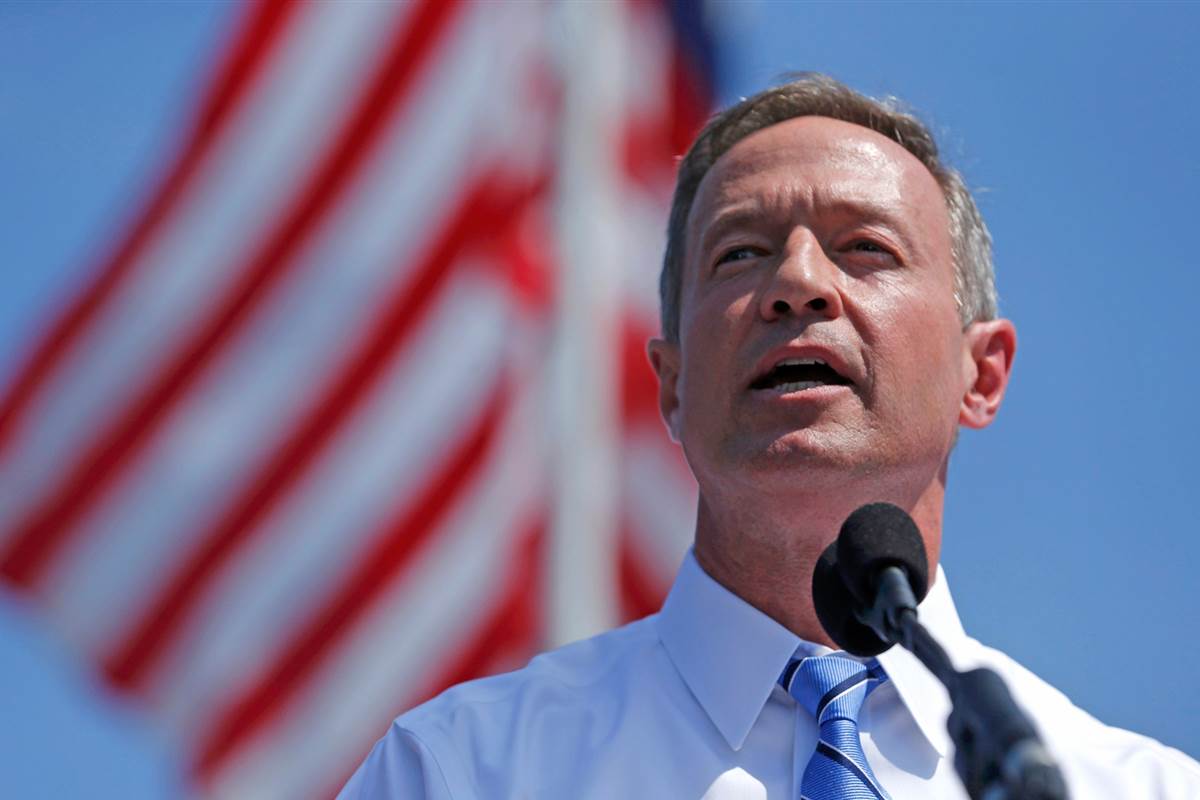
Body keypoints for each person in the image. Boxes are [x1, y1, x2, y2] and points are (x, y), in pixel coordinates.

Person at [339, 74, 1200, 799]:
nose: (797, 283)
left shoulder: (1131, 787)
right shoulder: (463, 772)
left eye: (864, 247)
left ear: (982, 374)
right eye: (740, 254)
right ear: (671, 386)